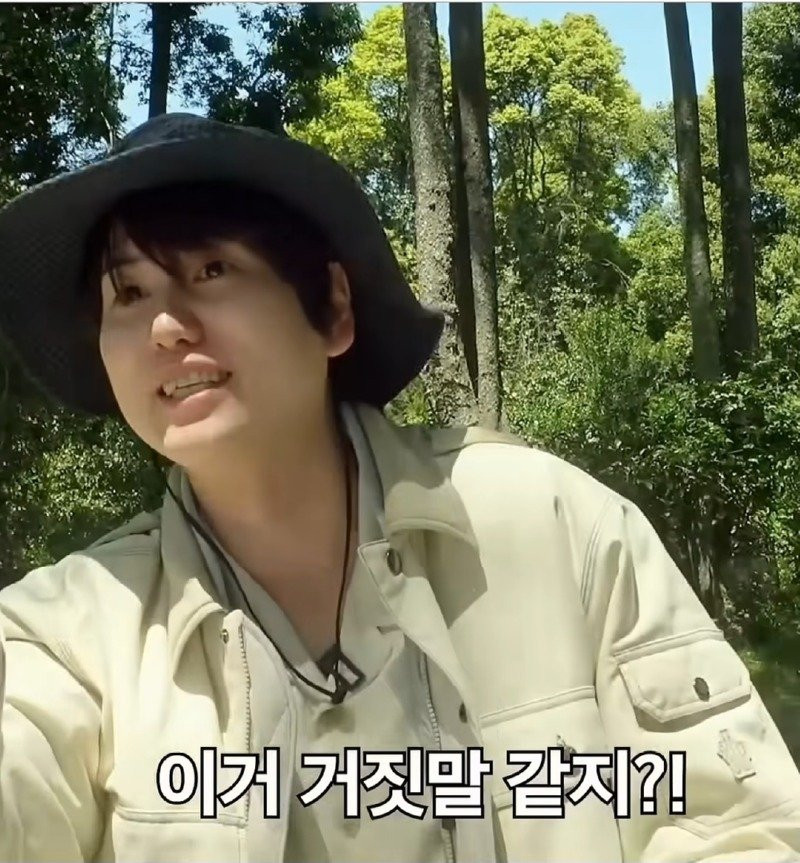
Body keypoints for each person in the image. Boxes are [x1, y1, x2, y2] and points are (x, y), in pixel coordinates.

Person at [0, 113, 797, 863]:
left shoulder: (550, 526)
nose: (166, 325)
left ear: (332, 308)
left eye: (211, 269)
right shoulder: (71, 632)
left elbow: (740, 822)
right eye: (129, 294)